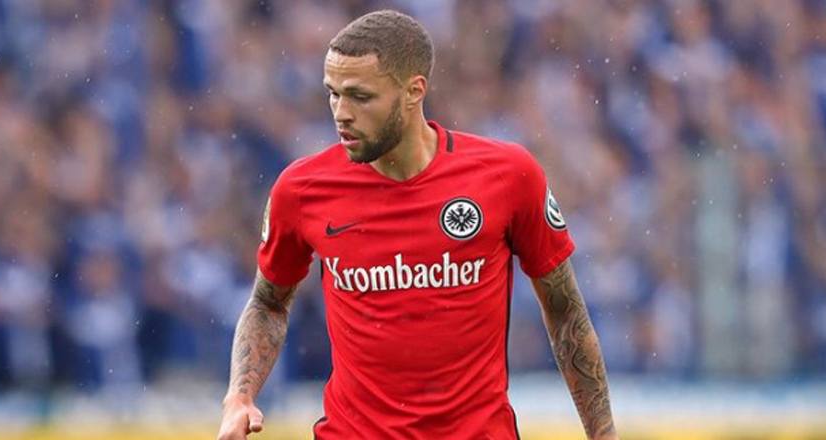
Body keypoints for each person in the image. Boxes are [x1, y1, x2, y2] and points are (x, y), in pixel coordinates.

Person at [217, 10, 619, 440]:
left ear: (414, 91)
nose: (341, 113)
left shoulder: (507, 177)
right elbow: (268, 305)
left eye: (360, 97)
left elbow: (565, 313)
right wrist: (239, 395)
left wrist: (603, 435)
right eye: (333, 94)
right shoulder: (301, 190)